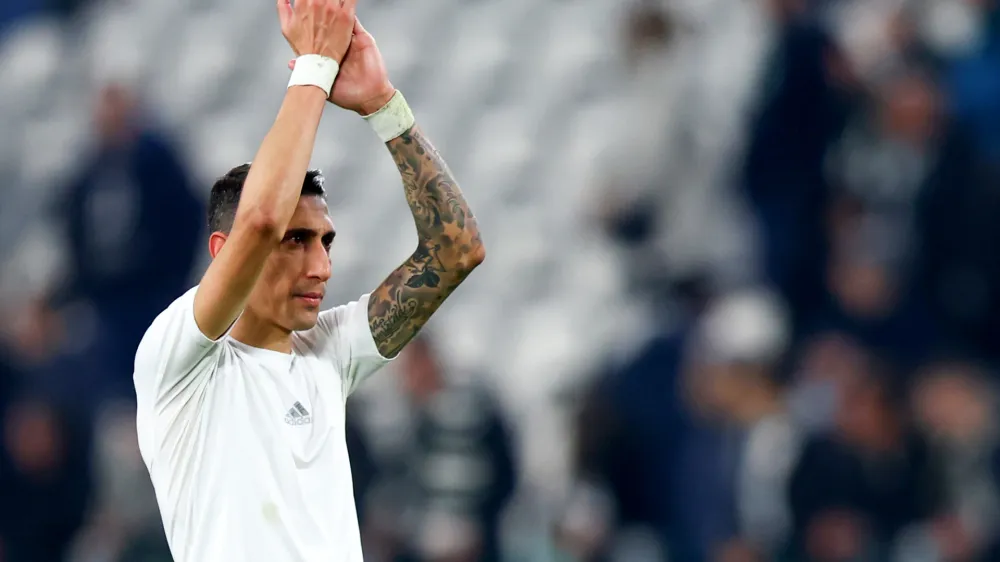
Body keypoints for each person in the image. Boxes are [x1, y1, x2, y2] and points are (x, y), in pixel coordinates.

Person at [131, 0, 485, 560]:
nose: (320, 265)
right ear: (222, 252)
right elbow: (260, 220)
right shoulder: (178, 360)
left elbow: (457, 250)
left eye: (325, 241)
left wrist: (383, 106)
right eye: (296, 240)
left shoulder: (328, 352)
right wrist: (316, 66)